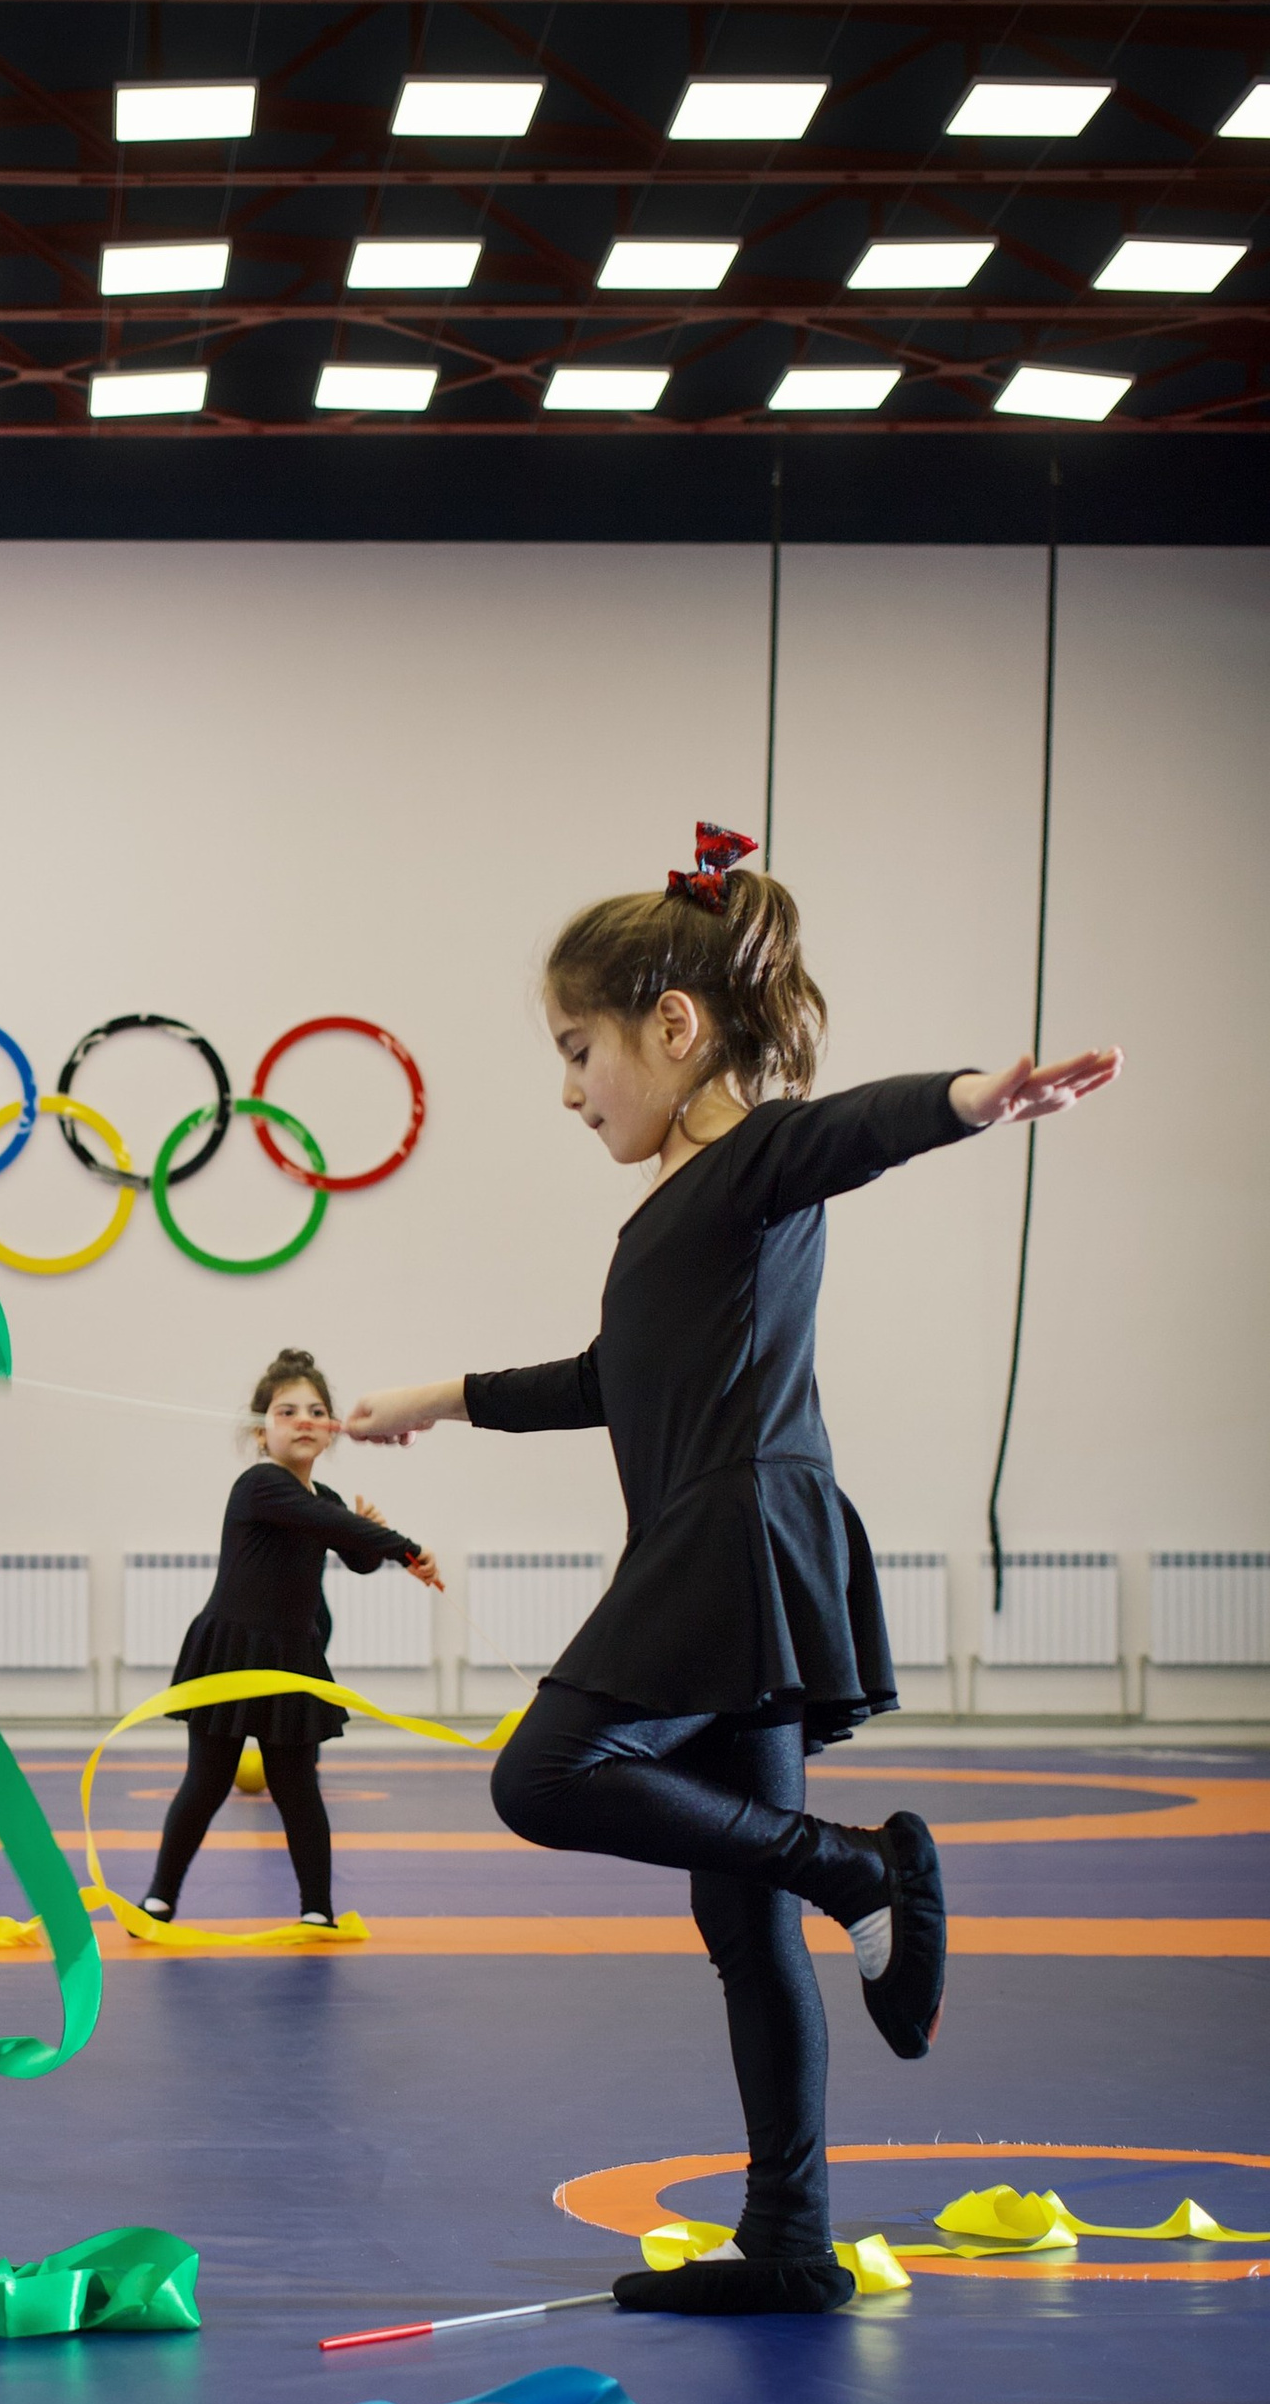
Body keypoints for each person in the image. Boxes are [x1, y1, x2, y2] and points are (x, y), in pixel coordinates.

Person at [345, 826, 1121, 2320]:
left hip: (733, 1534)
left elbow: (859, 1130)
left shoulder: (760, 1158)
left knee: (546, 1778)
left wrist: (974, 1098)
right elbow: (607, 1377)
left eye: (582, 1051)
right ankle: (789, 2243)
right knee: (739, 1917)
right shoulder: (669, 1216)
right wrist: (431, 1396)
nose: (571, 1090)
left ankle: (860, 1867)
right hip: (729, 1539)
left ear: (676, 1027)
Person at [137, 1348, 439, 1932]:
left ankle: (318, 1908)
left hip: (292, 1659)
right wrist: (401, 1545)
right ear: (260, 1431)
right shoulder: (260, 1485)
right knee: (207, 1781)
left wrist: (375, 1536)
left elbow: (355, 1556)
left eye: (316, 1410)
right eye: (287, 1410)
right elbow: (339, 1530)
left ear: (330, 1430)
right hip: (231, 1653)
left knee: (298, 1788)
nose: (303, 1419)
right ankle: (160, 1896)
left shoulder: (322, 1502)